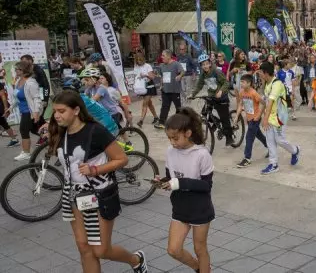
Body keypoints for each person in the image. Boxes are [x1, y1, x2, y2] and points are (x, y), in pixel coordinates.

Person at [49, 90, 147, 273]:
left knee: (101, 250)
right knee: (84, 248)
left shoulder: (95, 131)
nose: (56, 115)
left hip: (99, 194)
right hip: (73, 195)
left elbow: (121, 159)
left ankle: (136, 260)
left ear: (76, 110)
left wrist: (95, 170)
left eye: (61, 111)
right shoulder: (61, 132)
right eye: (55, 111)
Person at [158, 108, 214, 273]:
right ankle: (198, 268)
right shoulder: (170, 152)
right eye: (169, 139)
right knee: (173, 250)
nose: (172, 143)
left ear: (188, 133)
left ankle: (204, 269)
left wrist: (179, 183)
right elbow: (170, 178)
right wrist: (162, 182)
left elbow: (206, 186)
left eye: (175, 138)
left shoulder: (202, 154)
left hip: (200, 209)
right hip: (180, 206)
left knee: (200, 249)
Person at [259, 61, 301, 175]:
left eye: (260, 73)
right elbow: (266, 101)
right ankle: (273, 164)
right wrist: (260, 115)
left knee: (279, 140)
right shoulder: (267, 84)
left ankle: (295, 150)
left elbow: (271, 102)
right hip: (270, 116)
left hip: (279, 117)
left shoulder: (277, 84)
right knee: (270, 140)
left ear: (266, 73)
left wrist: (265, 119)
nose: (259, 75)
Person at [190, 54, 233, 146]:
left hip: (222, 97)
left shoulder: (216, 72)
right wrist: (192, 95)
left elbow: (226, 83)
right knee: (204, 114)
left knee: (225, 118)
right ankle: (216, 122)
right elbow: (199, 86)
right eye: (203, 65)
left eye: (206, 64)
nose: (205, 66)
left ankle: (229, 137)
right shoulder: (202, 74)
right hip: (212, 96)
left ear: (210, 63)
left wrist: (221, 91)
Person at [13, 61, 44, 161]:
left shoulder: (31, 83)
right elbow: (18, 98)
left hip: (29, 111)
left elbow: (36, 98)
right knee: (34, 130)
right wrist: (10, 109)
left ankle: (26, 153)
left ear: (23, 70)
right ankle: (54, 139)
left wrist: (35, 113)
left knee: (23, 130)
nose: (15, 71)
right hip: (23, 110)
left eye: (17, 69)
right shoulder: (18, 81)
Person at [236, 74, 268, 168]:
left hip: (255, 119)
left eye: (243, 82)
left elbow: (263, 103)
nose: (241, 83)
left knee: (249, 137)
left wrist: (259, 115)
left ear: (249, 83)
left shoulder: (254, 93)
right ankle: (270, 147)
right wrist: (236, 116)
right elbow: (240, 104)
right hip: (249, 118)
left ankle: (247, 158)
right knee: (259, 135)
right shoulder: (242, 92)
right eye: (241, 81)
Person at [155, 50, 185, 130]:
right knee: (164, 107)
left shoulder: (176, 64)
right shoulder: (161, 66)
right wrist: (161, 85)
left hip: (175, 90)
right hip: (165, 90)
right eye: (162, 55)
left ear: (169, 56)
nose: (162, 57)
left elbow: (182, 72)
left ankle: (179, 123)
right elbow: (162, 76)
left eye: (163, 55)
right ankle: (162, 122)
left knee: (178, 108)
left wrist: (180, 76)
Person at [133, 54, 159, 128]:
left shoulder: (147, 66)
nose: (139, 61)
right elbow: (135, 77)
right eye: (138, 60)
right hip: (141, 87)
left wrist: (145, 75)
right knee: (149, 103)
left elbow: (152, 77)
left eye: (140, 60)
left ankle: (141, 120)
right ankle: (156, 117)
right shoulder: (136, 66)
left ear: (143, 59)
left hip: (149, 86)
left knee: (145, 103)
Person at [0, 78, 19, 147]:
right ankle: (14, 139)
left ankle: (14, 140)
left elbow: (3, 96)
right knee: (3, 123)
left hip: (0, 106)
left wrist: (5, 107)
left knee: (3, 123)